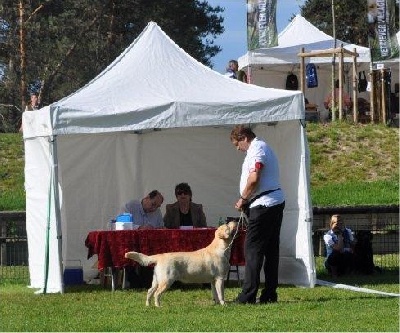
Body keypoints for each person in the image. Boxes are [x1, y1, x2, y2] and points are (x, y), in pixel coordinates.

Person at [230, 125, 285, 304]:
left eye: (237, 144)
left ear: (244, 137)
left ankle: (248, 295)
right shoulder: (261, 147)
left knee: (252, 250)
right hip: (273, 202)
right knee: (270, 250)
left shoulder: (257, 148)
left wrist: (242, 198)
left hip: (264, 205)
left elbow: (254, 178)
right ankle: (269, 294)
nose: (237, 149)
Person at [120, 190, 164, 288]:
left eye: (157, 206)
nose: (154, 208)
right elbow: (122, 225)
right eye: (153, 204)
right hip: (132, 244)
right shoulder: (130, 206)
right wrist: (139, 227)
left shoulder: (157, 212)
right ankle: (133, 280)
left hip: (150, 247)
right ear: (147, 197)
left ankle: (147, 281)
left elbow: (161, 227)